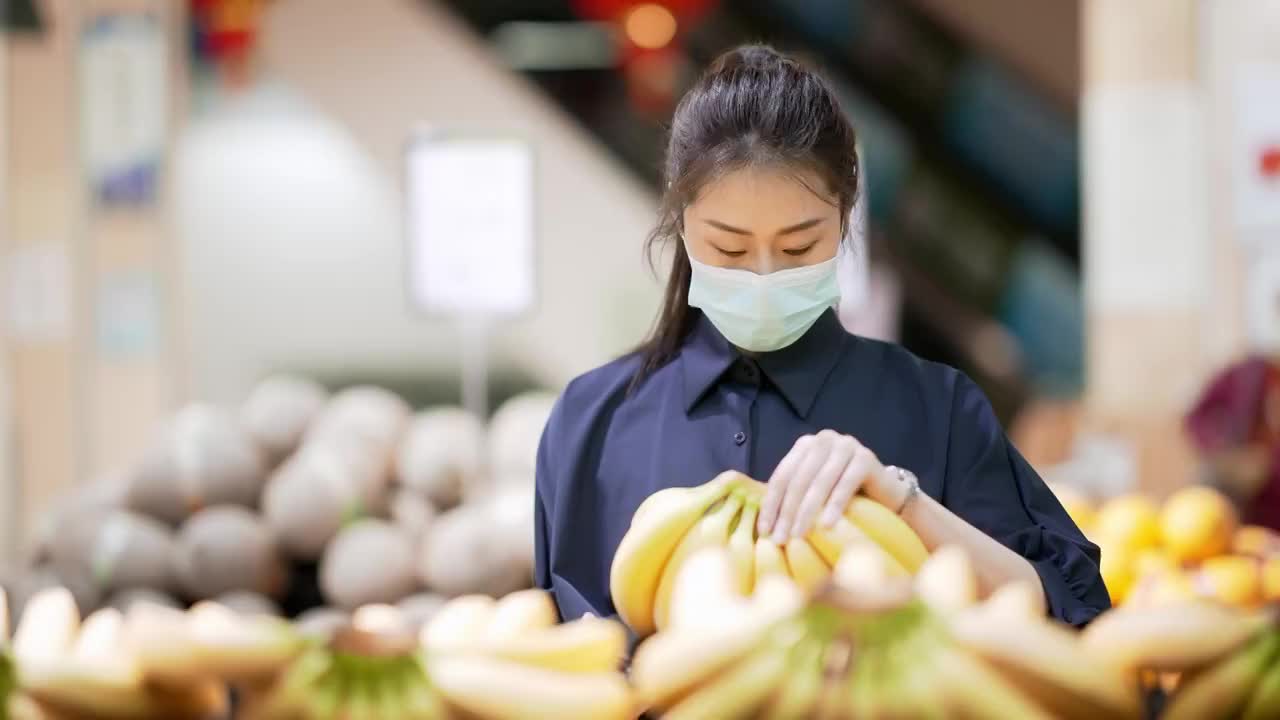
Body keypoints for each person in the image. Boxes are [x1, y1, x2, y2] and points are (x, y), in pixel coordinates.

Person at [534, 45, 1109, 630]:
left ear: (844, 218)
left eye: (798, 248)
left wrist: (901, 500)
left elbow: (1074, 608)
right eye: (728, 248)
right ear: (679, 222)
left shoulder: (939, 410)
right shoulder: (590, 424)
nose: (763, 275)